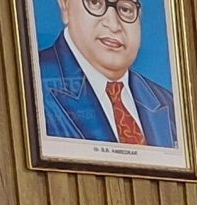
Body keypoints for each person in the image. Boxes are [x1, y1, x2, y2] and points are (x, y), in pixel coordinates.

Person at [36, 0, 179, 148]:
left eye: (125, 9)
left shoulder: (169, 104)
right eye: (95, 3)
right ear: (65, 6)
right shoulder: (32, 85)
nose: (113, 25)